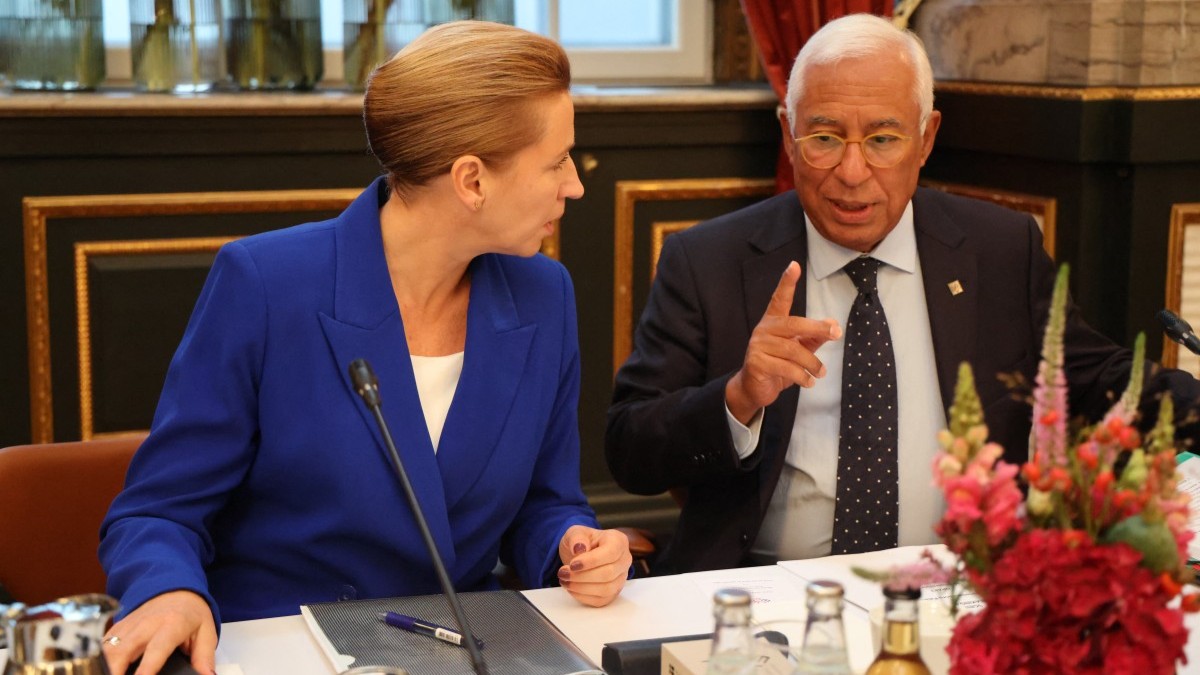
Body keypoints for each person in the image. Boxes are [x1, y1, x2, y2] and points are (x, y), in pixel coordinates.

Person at [99, 21, 632, 675]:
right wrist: (169, 590)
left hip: (462, 651)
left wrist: (573, 546)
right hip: (284, 652)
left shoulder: (544, 295)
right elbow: (158, 511)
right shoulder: (265, 284)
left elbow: (546, 502)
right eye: (556, 162)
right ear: (471, 181)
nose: (575, 184)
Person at [606, 13, 1199, 575]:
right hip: (763, 588)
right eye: (824, 137)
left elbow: (1101, 380)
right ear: (788, 135)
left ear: (926, 137)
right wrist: (737, 398)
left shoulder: (999, 250)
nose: (852, 171)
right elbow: (630, 447)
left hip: (959, 587)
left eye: (883, 139)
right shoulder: (708, 260)